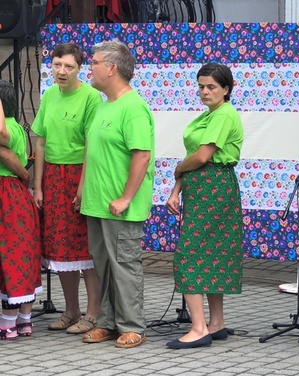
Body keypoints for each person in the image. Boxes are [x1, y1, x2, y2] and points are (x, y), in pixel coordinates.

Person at [78, 39, 154, 349]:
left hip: (120, 207)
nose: (89, 69)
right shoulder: (104, 104)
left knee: (124, 264)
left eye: (94, 63)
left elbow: (142, 156)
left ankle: (133, 326)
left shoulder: (133, 107)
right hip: (97, 204)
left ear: (111, 68)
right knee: (104, 266)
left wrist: (125, 197)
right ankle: (108, 323)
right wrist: (83, 189)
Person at [165, 63, 244, 350]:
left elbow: (201, 157)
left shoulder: (224, 115)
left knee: (190, 254)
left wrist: (177, 170)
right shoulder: (208, 116)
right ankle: (217, 323)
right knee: (209, 253)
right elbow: (192, 159)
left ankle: (199, 328)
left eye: (211, 86)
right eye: (201, 86)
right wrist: (177, 189)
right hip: (201, 186)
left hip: (214, 186)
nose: (204, 91)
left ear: (226, 89)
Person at [31, 43, 102, 334]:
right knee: (60, 250)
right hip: (52, 176)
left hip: (78, 174)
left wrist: (82, 187)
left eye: (68, 66)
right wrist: (38, 186)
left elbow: (90, 146)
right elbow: (41, 141)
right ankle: (70, 310)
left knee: (85, 248)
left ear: (79, 68)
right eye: (57, 65)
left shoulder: (91, 97)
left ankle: (93, 313)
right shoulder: (48, 94)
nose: (62, 71)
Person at [0, 79, 42, 340]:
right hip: (15, 196)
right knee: (21, 252)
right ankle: (24, 320)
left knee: (11, 254)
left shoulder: (9, 130)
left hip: (8, 195)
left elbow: (3, 146)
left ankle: (8, 322)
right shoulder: (17, 127)